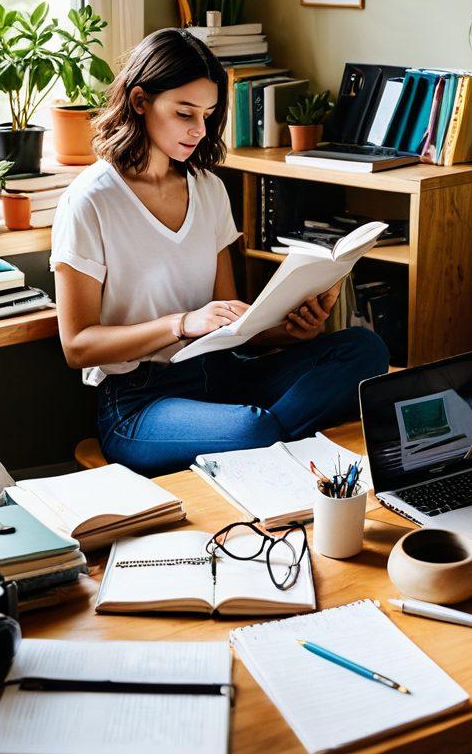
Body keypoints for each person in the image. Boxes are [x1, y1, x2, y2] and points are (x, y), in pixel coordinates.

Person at [50, 28, 390, 477]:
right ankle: (269, 447)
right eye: (184, 113)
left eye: (208, 115)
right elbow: (77, 346)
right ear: (139, 101)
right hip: (139, 402)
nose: (199, 130)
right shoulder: (90, 201)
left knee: (364, 350)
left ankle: (262, 452)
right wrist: (181, 323)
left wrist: (291, 329)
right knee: (253, 431)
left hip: (222, 373)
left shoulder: (208, 189)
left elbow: (231, 325)